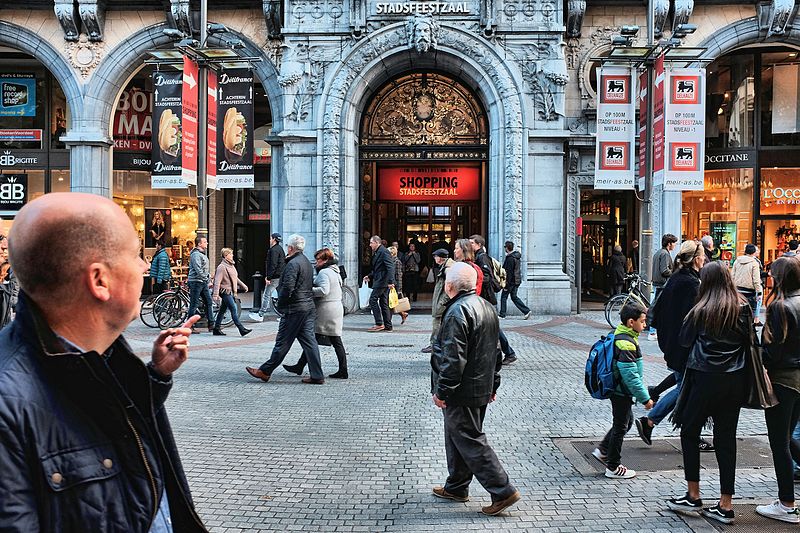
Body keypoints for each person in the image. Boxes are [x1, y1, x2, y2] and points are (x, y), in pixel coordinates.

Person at [0, 192, 207, 531]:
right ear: (100, 280)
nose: (143, 266)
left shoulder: (105, 354)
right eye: (135, 255)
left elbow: (108, 432)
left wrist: (154, 376)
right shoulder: (8, 405)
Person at [430, 262, 521, 516]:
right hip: (478, 387)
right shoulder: (485, 307)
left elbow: (452, 358)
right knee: (457, 435)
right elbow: (496, 353)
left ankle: (502, 490)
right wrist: (493, 384)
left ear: (450, 286)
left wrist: (442, 391)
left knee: (469, 438)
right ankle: (457, 486)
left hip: (462, 390)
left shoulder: (458, 311)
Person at [666, 261, 752, 525]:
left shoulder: (700, 310)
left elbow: (684, 341)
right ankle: (726, 503)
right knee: (726, 439)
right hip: (734, 380)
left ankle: (693, 493)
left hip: (704, 379)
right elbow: (751, 343)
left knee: (690, 430)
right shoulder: (743, 308)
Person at [636, 240, 712, 451]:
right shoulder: (690, 284)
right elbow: (692, 318)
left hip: (674, 343)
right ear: (697, 258)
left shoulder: (679, 278)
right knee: (685, 389)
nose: (705, 259)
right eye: (703, 255)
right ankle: (651, 421)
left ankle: (654, 422)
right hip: (684, 346)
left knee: (684, 386)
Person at [246, 234, 326, 384]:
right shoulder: (307, 262)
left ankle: (265, 371)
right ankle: (317, 374)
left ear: (290, 248)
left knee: (283, 341)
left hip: (295, 308)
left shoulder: (293, 264)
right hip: (307, 307)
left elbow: (288, 287)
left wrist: (281, 305)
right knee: (309, 342)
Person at [758, 257, 800, 524]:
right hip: (798, 379)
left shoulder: (780, 308)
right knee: (787, 435)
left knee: (779, 442)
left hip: (783, 380)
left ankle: (787, 503)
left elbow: (771, 352)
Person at [592, 303, 652, 479]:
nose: (645, 325)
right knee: (621, 426)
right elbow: (630, 376)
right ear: (631, 322)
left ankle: (603, 450)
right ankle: (613, 466)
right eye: (642, 321)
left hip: (619, 391)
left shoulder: (621, 335)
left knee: (626, 421)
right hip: (621, 392)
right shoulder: (626, 343)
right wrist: (645, 398)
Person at [283, 248, 349, 380]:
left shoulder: (324, 272)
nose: (316, 262)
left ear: (325, 260)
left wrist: (307, 290)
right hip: (334, 308)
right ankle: (301, 366)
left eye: (318, 259)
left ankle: (341, 370)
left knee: (314, 339)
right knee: (325, 339)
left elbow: (324, 290)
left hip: (326, 310)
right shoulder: (334, 270)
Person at [470, 235, 518, 365]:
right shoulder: (477, 257)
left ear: (479, 245)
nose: (470, 246)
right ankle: (506, 353)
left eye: (472, 243)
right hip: (483, 297)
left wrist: (473, 279)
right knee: (490, 327)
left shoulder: (482, 257)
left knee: (493, 327)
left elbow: (487, 277)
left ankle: (509, 353)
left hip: (486, 298)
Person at [211, 247, 251, 337]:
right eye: (230, 254)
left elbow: (235, 278)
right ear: (226, 256)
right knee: (234, 308)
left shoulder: (231, 265)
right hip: (225, 291)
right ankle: (241, 329)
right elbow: (217, 281)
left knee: (222, 310)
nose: (232, 255)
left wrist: (243, 286)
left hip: (229, 291)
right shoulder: (222, 267)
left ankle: (216, 329)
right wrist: (215, 295)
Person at [422, 248, 453, 354]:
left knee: (437, 322)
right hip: (442, 299)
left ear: (440, 258)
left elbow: (450, 285)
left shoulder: (447, 268)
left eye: (435, 256)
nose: (434, 259)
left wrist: (443, 301)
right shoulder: (446, 266)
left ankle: (434, 345)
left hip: (442, 300)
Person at [249, 232, 286, 322]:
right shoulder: (280, 249)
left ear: (274, 239)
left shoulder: (273, 250)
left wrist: (269, 277)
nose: (269, 240)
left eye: (270, 238)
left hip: (274, 277)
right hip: (280, 276)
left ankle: (261, 314)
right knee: (280, 295)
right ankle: (283, 315)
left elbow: (272, 264)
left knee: (266, 295)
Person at [648, 233, 678, 340]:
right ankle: (652, 332)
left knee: (657, 307)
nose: (675, 245)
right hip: (662, 284)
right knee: (658, 308)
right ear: (669, 244)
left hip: (657, 283)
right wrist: (675, 271)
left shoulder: (658, 253)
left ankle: (653, 331)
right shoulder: (665, 254)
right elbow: (664, 271)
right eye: (674, 243)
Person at [363, 235, 395, 333]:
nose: (370, 245)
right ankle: (388, 326)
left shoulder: (384, 252)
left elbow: (390, 267)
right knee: (383, 302)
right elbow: (378, 268)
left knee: (373, 300)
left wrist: (391, 281)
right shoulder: (378, 252)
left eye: (371, 243)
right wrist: (370, 276)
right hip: (380, 279)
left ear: (377, 242)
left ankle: (379, 323)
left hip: (382, 281)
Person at [187, 235, 215, 334]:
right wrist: (207, 279)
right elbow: (198, 269)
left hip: (202, 282)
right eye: (205, 242)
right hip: (196, 282)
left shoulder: (202, 254)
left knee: (209, 302)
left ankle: (211, 325)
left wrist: (207, 277)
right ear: (199, 244)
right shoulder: (195, 255)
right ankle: (189, 326)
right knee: (194, 304)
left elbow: (203, 269)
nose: (207, 243)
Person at [499, 241, 531, 319]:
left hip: (511, 282)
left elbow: (509, 272)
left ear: (507, 248)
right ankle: (526, 311)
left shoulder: (510, 258)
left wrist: (506, 284)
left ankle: (502, 314)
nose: (505, 249)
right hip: (516, 281)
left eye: (505, 247)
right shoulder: (516, 257)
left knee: (503, 297)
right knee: (514, 297)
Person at [732, 243, 762, 319]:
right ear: (754, 252)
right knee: (751, 311)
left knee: (738, 311)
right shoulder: (754, 263)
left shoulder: (737, 260)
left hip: (738, 290)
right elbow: (756, 280)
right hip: (750, 292)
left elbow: (732, 275)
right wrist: (759, 292)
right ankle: (751, 327)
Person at [389, 245, 408, 325]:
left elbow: (399, 275)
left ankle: (388, 320)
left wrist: (399, 289)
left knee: (390, 303)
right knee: (391, 303)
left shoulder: (397, 262)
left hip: (395, 286)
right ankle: (403, 314)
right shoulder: (390, 261)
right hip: (391, 285)